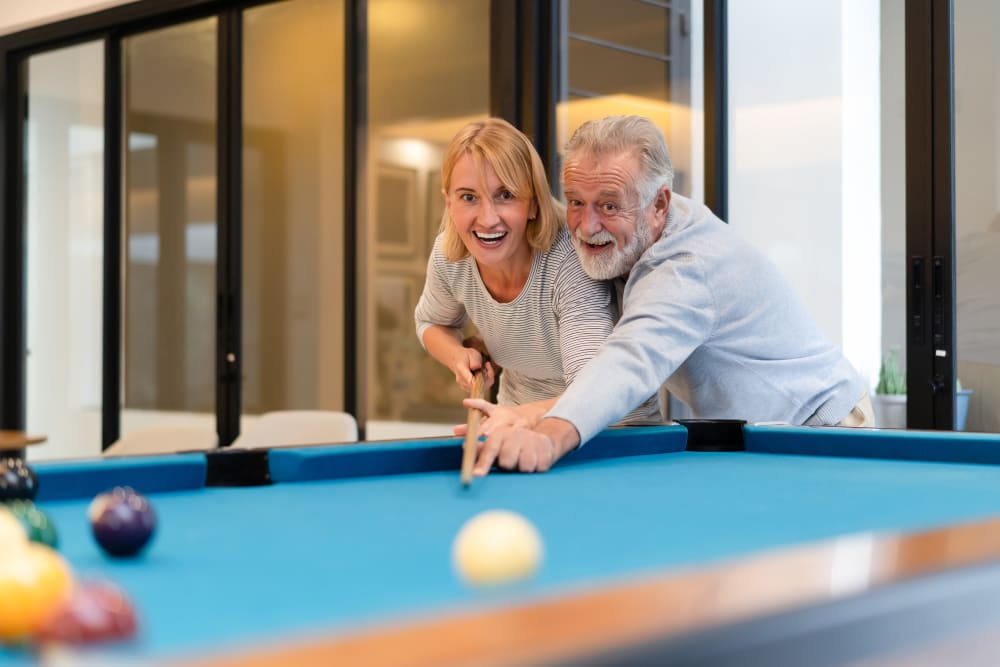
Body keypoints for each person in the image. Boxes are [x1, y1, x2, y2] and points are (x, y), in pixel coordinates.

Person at [466, 114, 873, 476]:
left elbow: (630, 360)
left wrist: (550, 436)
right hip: (760, 438)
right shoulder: (633, 231)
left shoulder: (687, 267)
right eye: (576, 202)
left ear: (659, 203)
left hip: (820, 429)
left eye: (608, 206)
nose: (587, 226)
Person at [414, 117, 661, 424]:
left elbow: (593, 391)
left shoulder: (568, 261)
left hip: (609, 430)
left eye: (506, 195)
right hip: (516, 419)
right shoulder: (450, 257)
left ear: (533, 203)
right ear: (448, 203)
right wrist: (458, 357)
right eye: (468, 197)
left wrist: (515, 419)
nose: (488, 219)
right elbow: (430, 322)